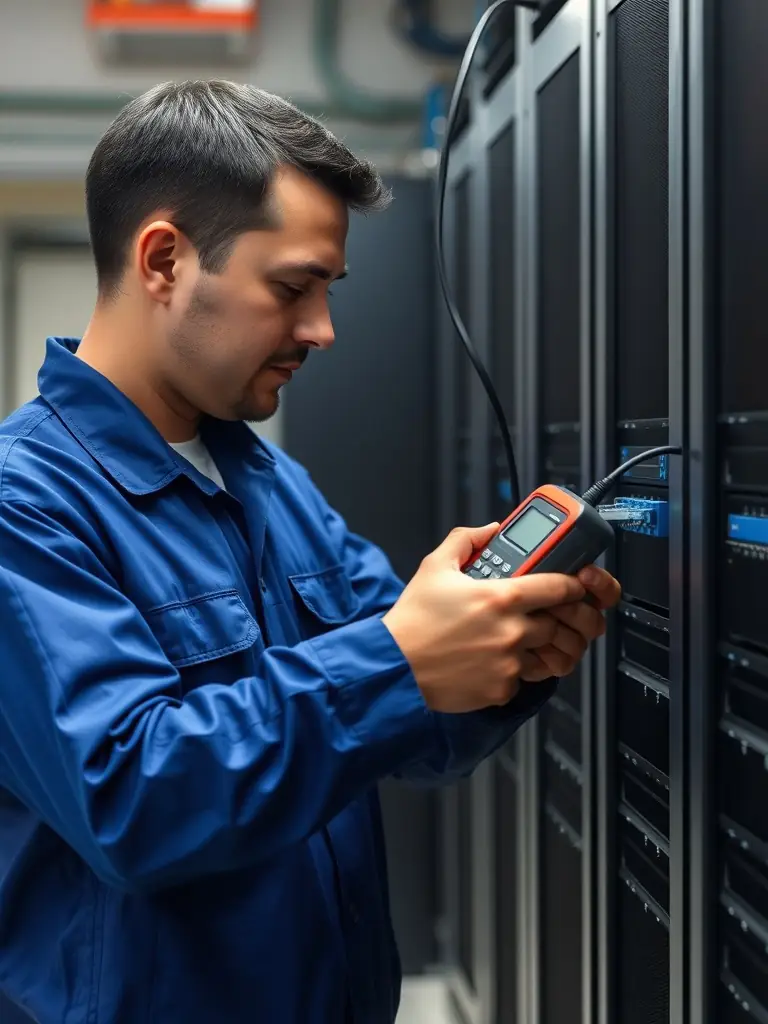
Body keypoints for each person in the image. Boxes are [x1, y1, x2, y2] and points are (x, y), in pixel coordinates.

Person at [0, 81, 620, 1024]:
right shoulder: (27, 504)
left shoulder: (266, 480)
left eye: (328, 291)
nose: (322, 330)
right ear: (164, 259)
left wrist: (504, 655)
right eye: (292, 288)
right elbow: (129, 798)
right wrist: (401, 659)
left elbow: (410, 729)